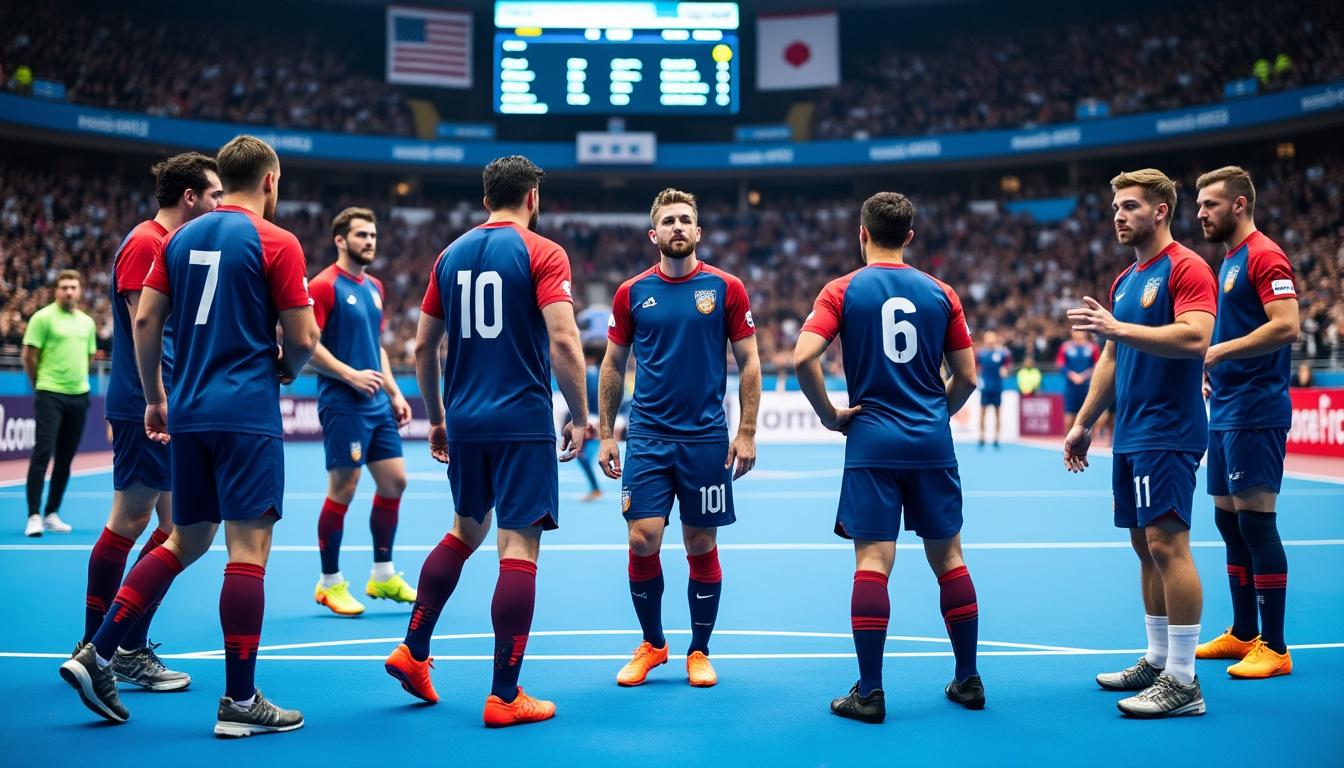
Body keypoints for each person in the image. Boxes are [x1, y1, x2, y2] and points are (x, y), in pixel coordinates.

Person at [60, 135, 319, 737]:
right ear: (270, 181)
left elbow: (146, 319)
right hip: (245, 412)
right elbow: (304, 338)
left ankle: (98, 652)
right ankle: (240, 702)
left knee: (185, 539)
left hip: (189, 411)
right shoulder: (276, 241)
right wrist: (286, 368)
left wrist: (156, 397)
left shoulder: (176, 240)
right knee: (247, 551)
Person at [382, 155, 588, 728]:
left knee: (464, 531)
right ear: (532, 198)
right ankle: (503, 694)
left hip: (466, 419)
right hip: (520, 419)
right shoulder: (543, 252)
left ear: (486, 199)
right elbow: (563, 340)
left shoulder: (449, 255)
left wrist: (438, 417)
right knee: (517, 548)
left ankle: (414, 649)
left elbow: (424, 347)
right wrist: (581, 414)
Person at [794, 191, 983, 725]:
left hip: (871, 442)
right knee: (950, 559)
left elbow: (804, 357)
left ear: (862, 233)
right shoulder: (941, 292)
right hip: (930, 443)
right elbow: (968, 376)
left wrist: (830, 415)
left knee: (874, 562)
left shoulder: (842, 290)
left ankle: (871, 692)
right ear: (910, 237)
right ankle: (968, 679)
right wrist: (935, 415)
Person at [1065, 168, 1217, 718]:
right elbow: (1112, 356)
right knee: (1143, 546)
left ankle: (1184, 680)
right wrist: (1084, 422)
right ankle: (1157, 660)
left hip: (1169, 429)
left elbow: (1196, 336)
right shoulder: (1127, 280)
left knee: (1168, 545)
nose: (1119, 216)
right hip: (1131, 432)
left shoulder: (1187, 267)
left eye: (1129, 206)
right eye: (1115, 208)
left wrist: (1119, 329)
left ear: (1160, 210)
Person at [597, 188, 761, 689]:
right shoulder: (631, 293)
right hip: (648, 435)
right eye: (668, 221)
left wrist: (746, 431)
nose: (677, 227)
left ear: (698, 232)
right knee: (642, 538)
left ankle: (699, 650)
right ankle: (653, 644)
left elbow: (750, 362)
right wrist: (605, 433)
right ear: (654, 234)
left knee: (700, 541)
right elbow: (612, 364)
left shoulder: (727, 288)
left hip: (706, 438)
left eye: (685, 220)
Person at [81, 152, 221, 692]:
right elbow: (148, 328)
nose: (219, 204)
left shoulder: (171, 244)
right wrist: (161, 397)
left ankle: (119, 645)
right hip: (150, 401)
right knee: (132, 518)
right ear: (189, 197)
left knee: (178, 525)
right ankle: (99, 648)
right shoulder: (147, 242)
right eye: (213, 194)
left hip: (165, 400)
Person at [1194, 166, 1299, 678]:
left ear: (1239, 204)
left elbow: (1287, 325)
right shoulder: (1230, 259)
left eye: (1209, 204)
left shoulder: (1264, 254)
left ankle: (1275, 647)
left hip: (1257, 409)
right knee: (1227, 521)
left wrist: (1219, 352)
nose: (1200, 213)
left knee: (1257, 523)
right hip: (1226, 406)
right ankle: (1242, 633)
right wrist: (1215, 369)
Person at [307, 207, 414, 616]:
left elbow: (377, 346)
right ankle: (329, 583)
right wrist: (349, 375)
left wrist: (394, 392)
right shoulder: (324, 285)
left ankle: (382, 574)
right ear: (340, 240)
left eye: (372, 235)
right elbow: (307, 346)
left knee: (395, 482)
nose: (370, 241)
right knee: (344, 489)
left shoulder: (374, 286)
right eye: (361, 235)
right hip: (343, 403)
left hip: (376, 403)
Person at [22, 270, 96, 536]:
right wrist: (40, 384)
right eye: (64, 287)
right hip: (50, 393)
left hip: (79, 395)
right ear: (56, 290)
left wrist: (78, 381)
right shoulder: (42, 318)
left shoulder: (88, 322)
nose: (69, 291)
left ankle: (52, 513)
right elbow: (29, 356)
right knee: (42, 454)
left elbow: (89, 356)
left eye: (73, 287)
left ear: (80, 290)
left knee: (65, 459)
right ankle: (33, 516)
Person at [573, 345, 604, 502]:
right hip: (596, 418)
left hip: (591, 420)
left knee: (583, 456)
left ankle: (596, 489)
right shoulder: (598, 374)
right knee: (582, 456)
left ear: (589, 358)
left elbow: (588, 399)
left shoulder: (590, 376)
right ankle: (595, 489)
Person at [1057, 330, 1100, 430]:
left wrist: (1084, 375)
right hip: (1071, 387)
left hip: (1087, 387)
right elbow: (1061, 364)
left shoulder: (1092, 347)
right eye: (1075, 331)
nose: (1078, 333)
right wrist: (1072, 375)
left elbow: (1097, 365)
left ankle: (1090, 438)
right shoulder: (1066, 346)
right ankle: (1068, 438)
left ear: (1085, 333)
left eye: (1081, 331)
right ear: (1071, 333)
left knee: (1089, 416)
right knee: (1069, 416)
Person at [976, 330, 1010, 447]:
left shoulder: (1002, 354)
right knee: (983, 412)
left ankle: (996, 437)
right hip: (985, 388)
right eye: (988, 339)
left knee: (997, 413)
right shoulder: (981, 354)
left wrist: (1005, 370)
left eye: (992, 339)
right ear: (985, 341)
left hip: (997, 387)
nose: (990, 342)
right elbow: (975, 366)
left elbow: (1006, 366)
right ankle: (982, 436)